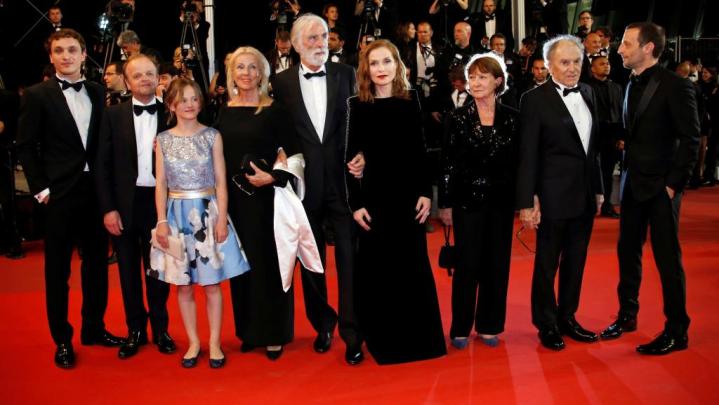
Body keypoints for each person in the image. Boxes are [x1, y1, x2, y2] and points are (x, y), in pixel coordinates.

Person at [16, 29, 124, 368]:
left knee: (97, 266)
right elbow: (25, 146)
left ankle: (94, 328)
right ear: (51, 57)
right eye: (59, 50)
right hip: (59, 195)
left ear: (83, 54)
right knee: (57, 271)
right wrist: (41, 190)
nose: (66, 56)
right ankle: (62, 339)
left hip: (95, 193)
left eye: (72, 50)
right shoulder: (37, 95)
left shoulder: (97, 91)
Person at [600, 22, 700, 355]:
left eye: (627, 44)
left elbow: (690, 138)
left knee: (667, 259)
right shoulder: (629, 82)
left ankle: (677, 330)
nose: (619, 49)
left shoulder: (676, 86)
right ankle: (627, 315)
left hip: (661, 188)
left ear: (648, 48)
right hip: (633, 183)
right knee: (627, 252)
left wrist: (673, 185)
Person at [271, 13, 365, 365]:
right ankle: (323, 325)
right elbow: (278, 130)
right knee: (311, 261)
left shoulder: (346, 73)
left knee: (349, 259)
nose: (320, 43)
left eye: (324, 36)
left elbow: (359, 122)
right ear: (296, 45)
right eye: (311, 38)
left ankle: (353, 332)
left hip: (343, 183)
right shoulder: (281, 82)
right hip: (304, 186)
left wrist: (361, 154)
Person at [346, 39, 446, 364]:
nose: (381, 69)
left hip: (408, 199)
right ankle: (383, 338)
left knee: (412, 266)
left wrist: (425, 192)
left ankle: (419, 339)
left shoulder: (411, 101)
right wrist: (356, 203)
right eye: (374, 63)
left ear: (397, 65)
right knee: (378, 271)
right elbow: (351, 158)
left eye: (386, 61)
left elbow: (420, 151)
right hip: (374, 198)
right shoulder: (357, 105)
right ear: (366, 68)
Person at [150, 78, 249, 368]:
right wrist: (161, 220)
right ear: (171, 105)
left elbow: (221, 181)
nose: (190, 104)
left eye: (194, 99)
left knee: (212, 284)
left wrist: (222, 221)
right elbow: (161, 183)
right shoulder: (163, 140)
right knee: (183, 286)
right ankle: (194, 342)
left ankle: (215, 343)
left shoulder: (212, 136)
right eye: (183, 100)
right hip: (176, 214)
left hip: (208, 212)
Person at [515, 35, 604, 351]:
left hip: (584, 195)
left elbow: (593, 149)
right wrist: (527, 200)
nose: (572, 68)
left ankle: (568, 317)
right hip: (552, 197)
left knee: (576, 262)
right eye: (564, 62)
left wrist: (598, 188)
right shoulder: (534, 100)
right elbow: (527, 154)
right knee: (547, 264)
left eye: (577, 61)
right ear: (549, 65)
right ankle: (547, 324)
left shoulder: (589, 92)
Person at [218, 46, 302, 361]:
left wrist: (273, 177)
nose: (246, 73)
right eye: (240, 67)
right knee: (241, 267)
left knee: (270, 266)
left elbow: (294, 152)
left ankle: (274, 333)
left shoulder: (275, 110)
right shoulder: (222, 111)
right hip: (233, 202)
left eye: (253, 67)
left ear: (262, 73)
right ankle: (249, 332)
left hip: (267, 200)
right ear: (232, 73)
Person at [95, 53, 176, 359]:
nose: (144, 79)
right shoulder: (112, 115)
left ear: (158, 78)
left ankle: (161, 329)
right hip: (124, 205)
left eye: (149, 74)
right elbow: (102, 165)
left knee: (159, 270)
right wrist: (108, 208)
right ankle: (135, 330)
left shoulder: (172, 113)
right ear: (127, 82)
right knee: (128, 272)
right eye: (137, 75)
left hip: (160, 204)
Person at [439, 53, 518, 349]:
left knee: (497, 264)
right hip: (466, 202)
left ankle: (489, 325)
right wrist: (445, 203)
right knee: (467, 265)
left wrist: (525, 199)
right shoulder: (457, 117)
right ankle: (460, 327)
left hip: (501, 202)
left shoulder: (513, 117)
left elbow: (519, 162)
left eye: (482, 77)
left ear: (498, 81)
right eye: (472, 77)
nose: (475, 82)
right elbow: (447, 163)